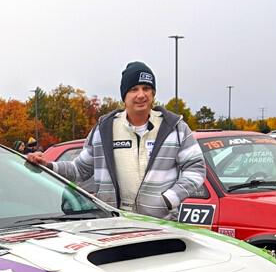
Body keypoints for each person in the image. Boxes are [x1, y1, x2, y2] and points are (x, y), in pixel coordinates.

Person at [26, 61, 206, 219]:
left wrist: (170, 199)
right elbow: (80, 170)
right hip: (115, 225)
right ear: (124, 96)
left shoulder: (175, 127)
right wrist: (48, 165)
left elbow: (196, 169)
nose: (141, 95)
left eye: (146, 88)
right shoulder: (105, 129)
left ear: (153, 93)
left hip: (161, 225)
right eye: (134, 89)